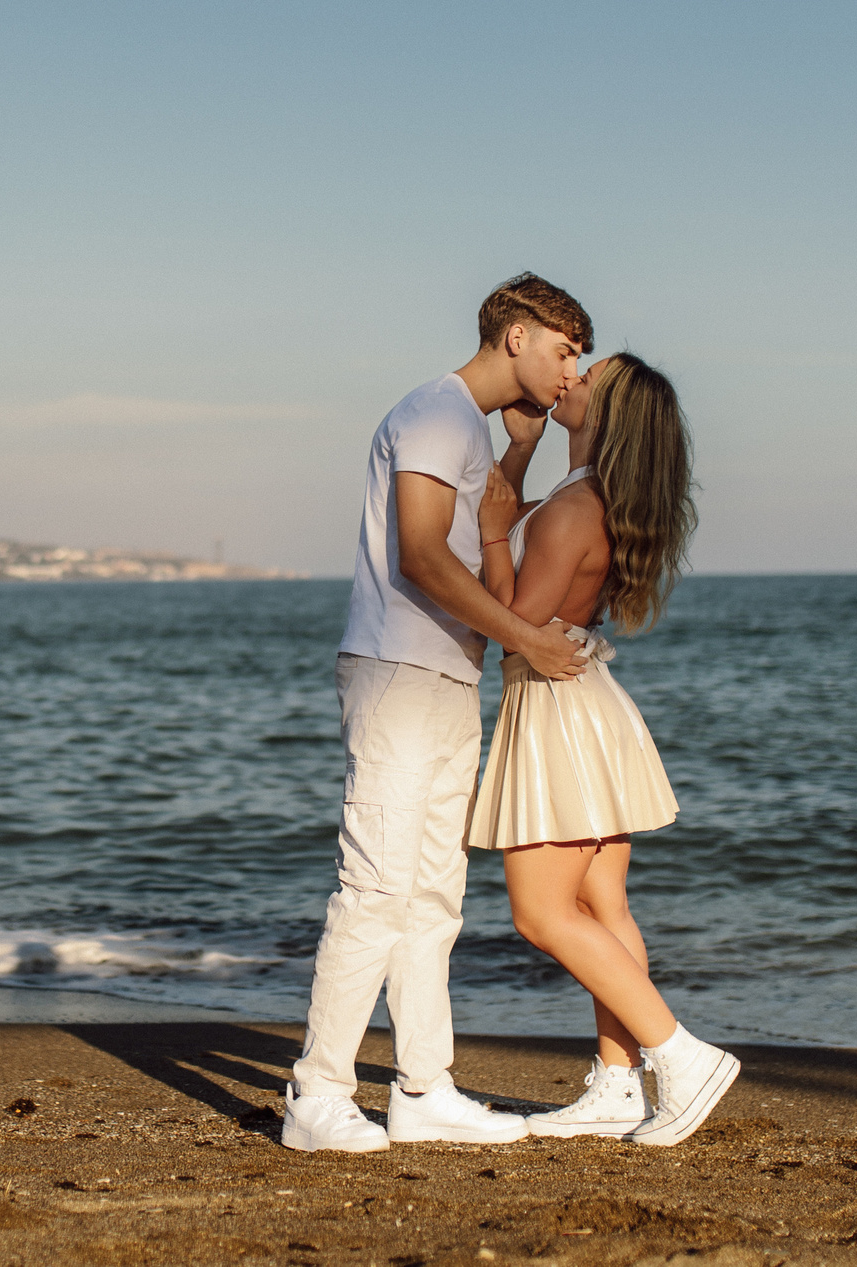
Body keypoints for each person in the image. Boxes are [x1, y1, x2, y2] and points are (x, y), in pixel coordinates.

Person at [282, 272, 597, 1154]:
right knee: (377, 885)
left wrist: (523, 452)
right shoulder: (435, 410)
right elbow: (422, 555)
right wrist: (528, 644)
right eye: (565, 348)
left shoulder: (467, 427)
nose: (572, 370)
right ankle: (317, 1094)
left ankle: (423, 1089)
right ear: (517, 336)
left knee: (432, 897)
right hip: (398, 672)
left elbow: (482, 521)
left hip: (444, 677)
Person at [466, 350, 737, 1146]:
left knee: (541, 911)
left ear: (606, 412)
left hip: (554, 708)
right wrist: (519, 457)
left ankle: (681, 1055)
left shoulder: (572, 509)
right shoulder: (596, 499)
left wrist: (489, 529)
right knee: (601, 905)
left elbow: (509, 616)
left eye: (588, 378)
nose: (569, 379)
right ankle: (619, 1084)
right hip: (586, 702)